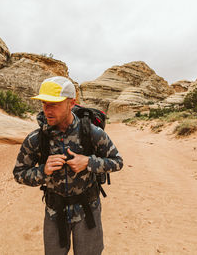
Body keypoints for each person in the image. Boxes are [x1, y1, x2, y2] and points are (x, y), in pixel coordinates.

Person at [13, 76, 123, 255]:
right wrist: (43, 171)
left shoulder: (92, 133)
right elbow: (19, 173)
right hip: (55, 212)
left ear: (71, 103)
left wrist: (88, 162)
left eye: (53, 104)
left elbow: (117, 162)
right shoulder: (36, 139)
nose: (47, 110)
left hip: (88, 210)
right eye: (44, 103)